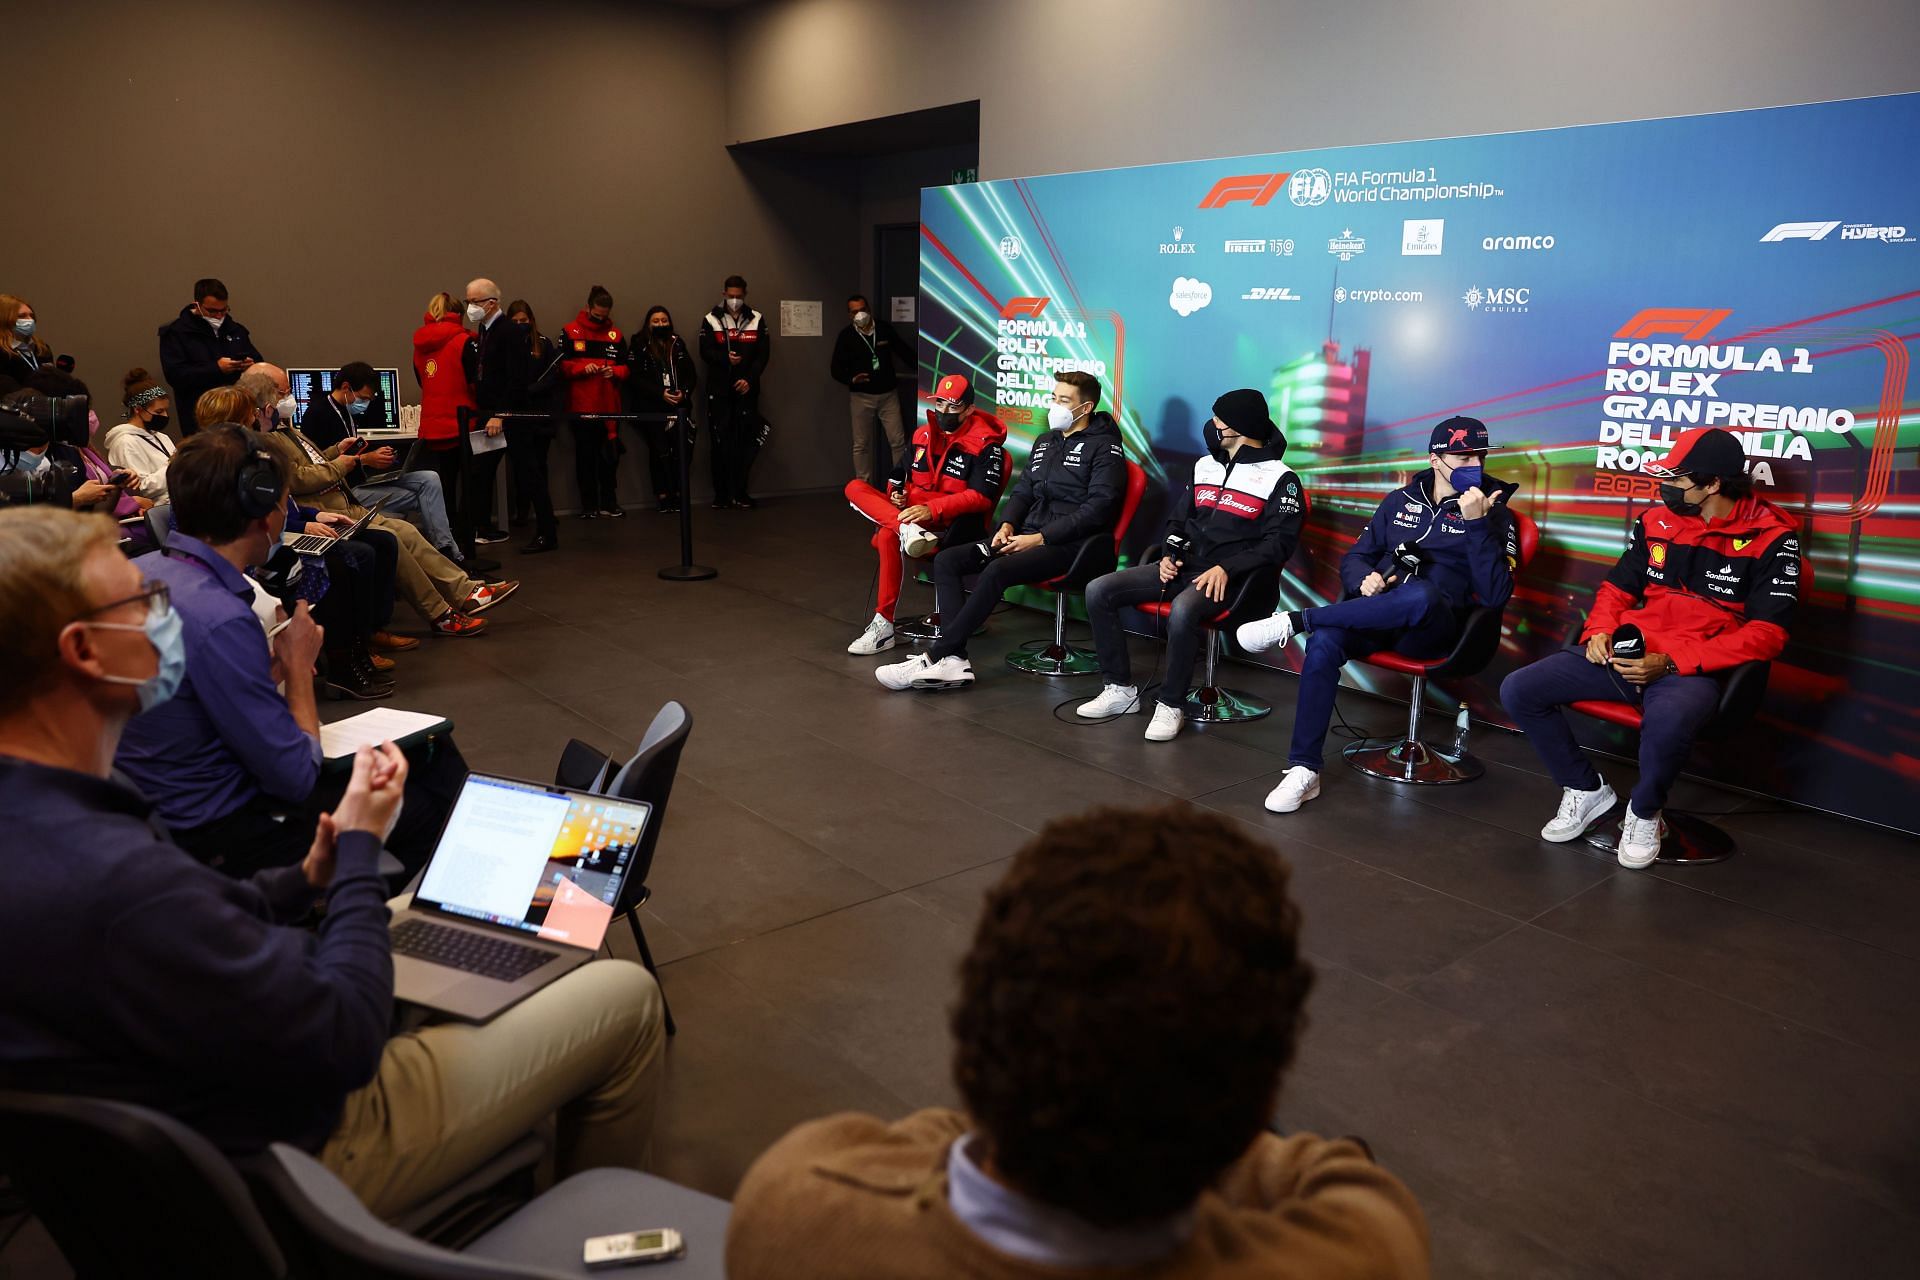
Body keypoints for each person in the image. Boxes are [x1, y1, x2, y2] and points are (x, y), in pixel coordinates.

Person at [0, 506, 668, 1224]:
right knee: (624, 997)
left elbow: (192, 931)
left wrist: (305, 879)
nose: (162, 615)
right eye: (141, 603)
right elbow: (343, 1035)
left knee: (465, 909)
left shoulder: (51, 820)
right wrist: (356, 851)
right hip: (303, 1154)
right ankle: (590, 1234)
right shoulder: (116, 878)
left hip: (205, 1105)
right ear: (85, 651)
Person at [725, 803, 1428, 1279]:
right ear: (1255, 1105)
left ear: (974, 1032)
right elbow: (1348, 1184)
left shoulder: (790, 1208)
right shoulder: (1364, 1253)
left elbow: (928, 1139)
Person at [112, 425, 465, 876]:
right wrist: (298, 668)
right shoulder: (222, 616)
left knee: (431, 757)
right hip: (222, 834)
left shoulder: (135, 576)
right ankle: (334, 924)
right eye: (284, 504)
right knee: (428, 795)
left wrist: (267, 672)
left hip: (152, 814)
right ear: (262, 512)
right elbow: (297, 776)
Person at [1500, 427, 1799, 868]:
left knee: (1668, 720)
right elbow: (1617, 589)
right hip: (1629, 651)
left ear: (1712, 484)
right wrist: (1599, 631)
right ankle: (1586, 790)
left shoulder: (1773, 538)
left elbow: (1768, 634)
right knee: (1519, 689)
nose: (1666, 489)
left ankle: (1645, 813)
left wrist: (1673, 663)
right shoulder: (1655, 521)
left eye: (1676, 481)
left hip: (1692, 668)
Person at [1237, 416, 1519, 815]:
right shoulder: (1399, 501)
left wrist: (1476, 524)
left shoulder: (1496, 515)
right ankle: (1304, 769)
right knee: (1325, 643)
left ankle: (1296, 621)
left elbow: (1495, 594)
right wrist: (1364, 578)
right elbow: (1356, 556)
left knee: (1421, 593)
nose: (1475, 463)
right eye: (1463, 454)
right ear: (1436, 459)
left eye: (1480, 455)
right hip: (1377, 616)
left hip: (1437, 630)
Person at [877, 371, 1124, 693]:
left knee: (997, 570)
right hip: (1026, 535)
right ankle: (955, 660)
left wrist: (1040, 538)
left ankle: (937, 655)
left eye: (1064, 401)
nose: (1055, 406)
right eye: (1054, 398)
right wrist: (1007, 524)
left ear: (1086, 407)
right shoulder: (1046, 441)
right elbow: (1023, 491)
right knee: (949, 561)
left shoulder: (1105, 448)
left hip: (1072, 546)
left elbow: (1098, 509)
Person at [1080, 389, 1305, 742]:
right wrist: (1170, 553)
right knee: (1100, 590)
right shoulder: (1204, 465)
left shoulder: (1281, 477)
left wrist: (1228, 568)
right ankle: (1119, 689)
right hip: (1185, 566)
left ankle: (1171, 705)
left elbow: (1279, 544)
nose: (1212, 425)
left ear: (1239, 427)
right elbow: (1178, 522)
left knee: (1184, 609)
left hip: (1237, 581)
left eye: (1219, 419)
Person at [238, 364, 510, 638]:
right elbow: (296, 479)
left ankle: (466, 591)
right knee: (391, 536)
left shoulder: (285, 429)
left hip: (343, 501)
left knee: (408, 530)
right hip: (327, 508)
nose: (288, 399)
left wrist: (336, 451)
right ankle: (440, 613)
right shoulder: (266, 438)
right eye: (283, 393)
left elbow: (313, 460)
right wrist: (346, 463)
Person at [197, 386, 401, 699]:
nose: (255, 417)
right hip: (243, 547)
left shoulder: (246, 455)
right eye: (249, 413)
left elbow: (284, 503)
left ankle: (360, 645)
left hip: (271, 533)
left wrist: (311, 517)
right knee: (341, 563)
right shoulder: (223, 464)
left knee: (371, 546)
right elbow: (256, 513)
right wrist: (302, 523)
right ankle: (342, 663)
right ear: (235, 419)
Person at [843, 372, 1006, 656]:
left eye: (953, 406)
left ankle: (883, 625)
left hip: (951, 526)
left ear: (969, 409)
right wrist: (898, 493)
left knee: (885, 535)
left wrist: (930, 508)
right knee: (854, 487)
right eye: (940, 403)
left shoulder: (985, 444)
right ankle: (904, 528)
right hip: (912, 518)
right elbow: (900, 476)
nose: (944, 411)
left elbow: (981, 497)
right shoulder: (922, 434)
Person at [298, 361, 467, 566]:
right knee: (423, 496)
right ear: (346, 388)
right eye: (362, 398)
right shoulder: (317, 414)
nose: (364, 404)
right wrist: (366, 459)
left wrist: (371, 459)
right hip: (347, 492)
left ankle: (448, 551)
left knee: (429, 478)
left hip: (361, 480)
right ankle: (448, 556)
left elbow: (348, 454)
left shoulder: (346, 412)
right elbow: (317, 466)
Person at [410, 290, 479, 553]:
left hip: (433, 425)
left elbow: (421, 380)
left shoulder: (419, 345)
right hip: (462, 424)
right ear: (458, 315)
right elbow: (475, 383)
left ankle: (446, 538)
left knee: (444, 486)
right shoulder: (465, 342)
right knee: (471, 486)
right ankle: (467, 538)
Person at [699, 274, 770, 509]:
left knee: (744, 442)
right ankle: (721, 495)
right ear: (724, 295)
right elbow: (705, 351)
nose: (735, 301)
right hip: (719, 391)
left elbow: (763, 355)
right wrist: (724, 359)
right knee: (720, 444)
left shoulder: (757, 318)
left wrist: (750, 380)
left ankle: (740, 492)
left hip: (747, 391)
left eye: (739, 296)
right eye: (731, 296)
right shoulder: (711, 319)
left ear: (745, 295)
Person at [157, 278, 262, 433]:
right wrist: (216, 368)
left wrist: (249, 365)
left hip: (237, 411)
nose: (219, 316)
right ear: (197, 305)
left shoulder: (235, 330)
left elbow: (259, 362)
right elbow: (176, 375)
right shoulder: (176, 333)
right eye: (212, 311)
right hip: (200, 414)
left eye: (224, 310)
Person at [562, 285, 631, 521]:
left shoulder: (616, 335)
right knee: (585, 458)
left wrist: (616, 372)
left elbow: (626, 367)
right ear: (588, 307)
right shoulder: (570, 332)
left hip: (610, 409)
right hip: (581, 407)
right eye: (596, 314)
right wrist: (582, 369)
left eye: (604, 315)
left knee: (609, 459)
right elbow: (561, 366)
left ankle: (609, 503)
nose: (600, 319)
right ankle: (588, 505)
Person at [830, 293, 912, 485]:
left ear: (869, 310)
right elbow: (835, 369)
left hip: (888, 395)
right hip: (861, 396)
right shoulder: (846, 336)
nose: (860, 315)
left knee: (898, 442)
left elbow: (904, 352)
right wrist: (851, 379)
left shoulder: (884, 329)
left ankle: (899, 485)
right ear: (849, 315)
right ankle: (862, 486)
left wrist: (924, 368)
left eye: (862, 310)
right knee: (861, 445)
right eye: (855, 312)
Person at [630, 305, 697, 513]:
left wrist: (683, 392)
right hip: (651, 408)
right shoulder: (638, 344)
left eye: (664, 320)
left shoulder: (677, 343)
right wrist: (660, 393)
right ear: (648, 324)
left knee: (680, 452)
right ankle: (662, 495)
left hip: (678, 408)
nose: (661, 324)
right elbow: (634, 377)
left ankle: (678, 493)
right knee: (659, 453)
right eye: (656, 321)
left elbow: (691, 374)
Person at [103, 368, 177, 501]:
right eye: (159, 411)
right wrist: (175, 465)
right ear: (138, 409)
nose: (165, 416)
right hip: (156, 510)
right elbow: (140, 489)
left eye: (166, 410)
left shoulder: (162, 437)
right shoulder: (125, 442)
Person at [0, 294, 53, 383]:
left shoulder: (43, 349)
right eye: (22, 316)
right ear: (4, 319)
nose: (30, 320)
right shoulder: (2, 353)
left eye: (31, 316)